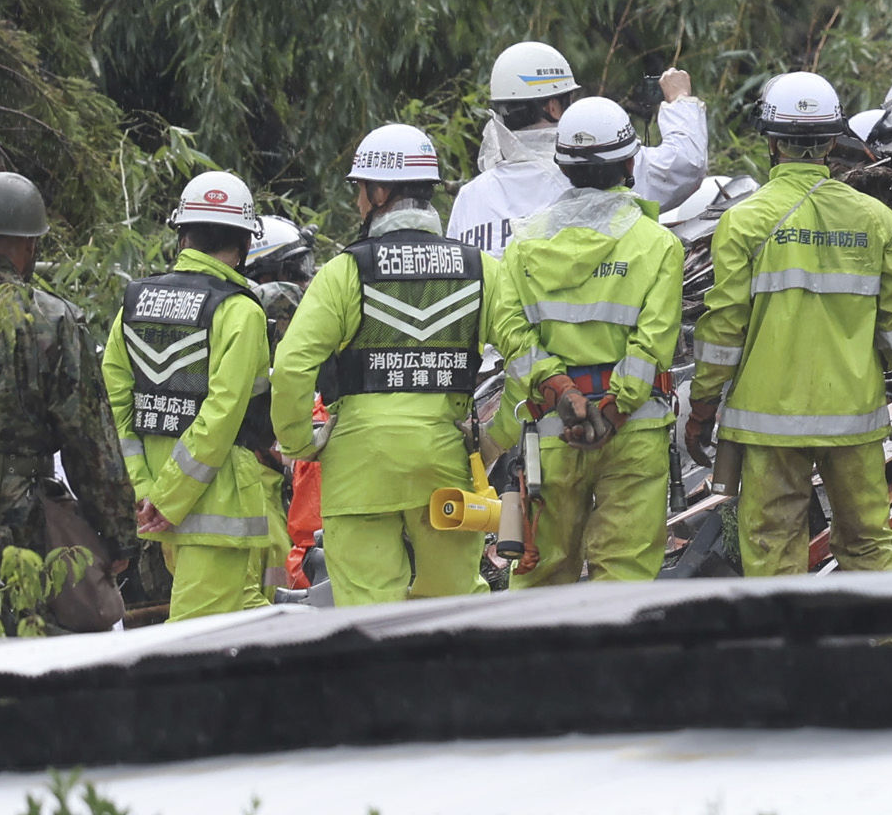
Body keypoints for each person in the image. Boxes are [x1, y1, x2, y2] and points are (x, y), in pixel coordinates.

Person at [689, 71, 892, 579]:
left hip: (767, 424)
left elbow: (723, 327)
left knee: (773, 549)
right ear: (830, 141)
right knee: (870, 545)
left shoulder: (745, 222)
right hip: (853, 420)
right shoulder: (877, 222)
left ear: (771, 141)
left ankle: (791, 658)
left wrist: (702, 407)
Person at [269, 124, 487, 607]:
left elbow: (290, 367)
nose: (358, 204)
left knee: (370, 614)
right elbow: (525, 355)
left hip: (358, 468)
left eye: (361, 191)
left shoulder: (344, 272)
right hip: (445, 461)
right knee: (454, 608)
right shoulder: (479, 268)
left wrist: (299, 441)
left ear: (382, 191)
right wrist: (496, 439)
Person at [485, 99, 687, 584]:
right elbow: (652, 343)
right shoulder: (657, 245)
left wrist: (562, 392)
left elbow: (512, 334)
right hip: (632, 431)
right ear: (630, 163)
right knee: (624, 578)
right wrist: (613, 412)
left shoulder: (522, 246)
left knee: (541, 577)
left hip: (553, 430)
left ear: (562, 165)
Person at [102, 171, 286, 619]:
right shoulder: (239, 311)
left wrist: (147, 489)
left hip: (161, 505)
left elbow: (116, 406)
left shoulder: (136, 303)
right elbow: (220, 419)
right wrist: (169, 497)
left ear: (182, 234)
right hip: (216, 507)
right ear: (244, 245)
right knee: (195, 642)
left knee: (242, 619)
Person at [0, 168, 136, 631]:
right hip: (20, 524)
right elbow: (90, 445)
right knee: (35, 647)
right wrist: (118, 538)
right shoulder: (51, 322)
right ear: (31, 245)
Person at [448, 40, 708, 254]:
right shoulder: (596, 168)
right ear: (552, 108)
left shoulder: (471, 198)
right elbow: (686, 164)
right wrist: (680, 101)